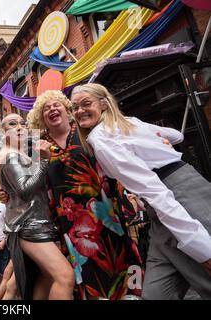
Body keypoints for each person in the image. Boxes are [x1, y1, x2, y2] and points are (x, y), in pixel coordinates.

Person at [71, 83, 211, 299]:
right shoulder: (128, 123)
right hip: (173, 201)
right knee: (155, 294)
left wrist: (202, 249)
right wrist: (160, 142)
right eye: (75, 107)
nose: (80, 111)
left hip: (178, 199)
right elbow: (176, 136)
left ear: (104, 104)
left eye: (86, 104)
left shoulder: (101, 139)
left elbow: (153, 190)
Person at [14, 89, 144, 300]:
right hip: (71, 223)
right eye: (47, 109)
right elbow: (34, 187)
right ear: (41, 118)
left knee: (119, 260)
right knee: (86, 272)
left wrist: (129, 197)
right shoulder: (38, 147)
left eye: (57, 105)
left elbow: (113, 164)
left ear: (67, 110)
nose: (52, 109)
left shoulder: (87, 132)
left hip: (105, 212)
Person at [0, 113, 75, 300]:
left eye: (23, 123)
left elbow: (19, 191)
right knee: (65, 277)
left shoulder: (21, 152)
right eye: (12, 124)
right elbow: (25, 190)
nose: (19, 127)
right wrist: (45, 160)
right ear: (2, 132)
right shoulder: (10, 156)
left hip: (37, 222)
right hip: (29, 225)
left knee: (46, 278)